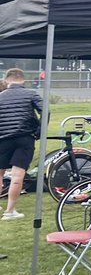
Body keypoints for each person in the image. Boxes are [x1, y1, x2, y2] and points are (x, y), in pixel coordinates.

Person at [0, 68, 42, 219]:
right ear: (23, 80)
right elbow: (45, 110)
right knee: (17, 175)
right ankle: (10, 211)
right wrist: (39, 130)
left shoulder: (1, 96)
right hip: (24, 137)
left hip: (3, 138)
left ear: (6, 81)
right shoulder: (31, 94)